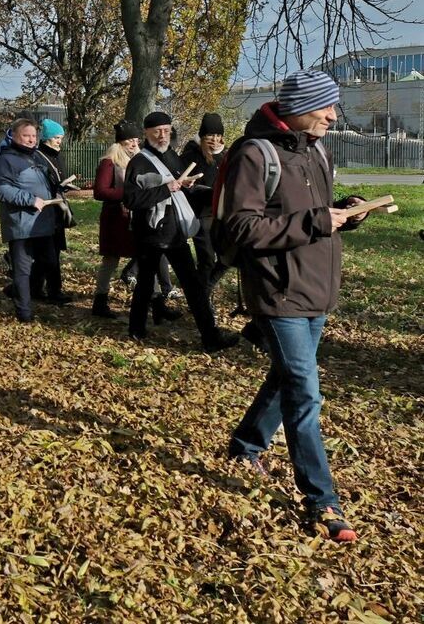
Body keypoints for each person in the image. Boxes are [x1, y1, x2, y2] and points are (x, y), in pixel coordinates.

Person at [220, 71, 367, 542]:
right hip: (277, 293)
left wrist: (347, 210)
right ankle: (322, 501)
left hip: (317, 288)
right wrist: (319, 220)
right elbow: (241, 228)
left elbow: (314, 214)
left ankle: (245, 446)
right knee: (305, 392)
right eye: (326, 106)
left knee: (286, 379)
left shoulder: (316, 149)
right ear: (299, 107)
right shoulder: (253, 154)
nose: (332, 115)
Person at [123, 111, 237, 350]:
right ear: (146, 133)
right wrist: (168, 188)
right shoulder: (139, 162)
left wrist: (196, 189)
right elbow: (132, 200)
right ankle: (136, 329)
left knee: (194, 287)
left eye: (167, 130)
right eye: (157, 131)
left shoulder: (172, 156)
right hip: (151, 235)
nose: (163, 135)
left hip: (176, 234)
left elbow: (180, 189)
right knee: (145, 284)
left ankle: (210, 337)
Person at [0, 119, 59, 322]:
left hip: (43, 223)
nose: (31, 140)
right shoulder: (6, 160)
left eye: (33, 136)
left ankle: (23, 292)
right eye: (26, 135)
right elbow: (2, 190)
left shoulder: (36, 156)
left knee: (49, 261)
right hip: (21, 224)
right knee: (22, 269)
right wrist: (30, 200)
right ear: (14, 135)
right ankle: (24, 312)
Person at [92, 121, 142, 319]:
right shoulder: (109, 162)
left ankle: (150, 297)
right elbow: (100, 191)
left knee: (144, 255)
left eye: (136, 140)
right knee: (111, 261)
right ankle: (100, 301)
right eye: (130, 141)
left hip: (132, 218)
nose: (134, 144)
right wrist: (127, 193)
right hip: (114, 219)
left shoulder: (136, 160)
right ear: (121, 142)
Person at [180, 112, 229, 294]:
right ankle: (202, 298)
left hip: (222, 213)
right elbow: (184, 184)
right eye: (210, 135)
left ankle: (206, 288)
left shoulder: (226, 155)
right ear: (202, 136)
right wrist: (199, 189)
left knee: (227, 257)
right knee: (207, 259)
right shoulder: (192, 155)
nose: (215, 140)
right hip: (200, 213)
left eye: (218, 135)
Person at [31, 118, 74, 305]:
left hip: (57, 207)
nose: (59, 141)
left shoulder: (57, 155)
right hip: (45, 208)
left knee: (53, 251)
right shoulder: (38, 156)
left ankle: (37, 287)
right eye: (56, 137)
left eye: (61, 137)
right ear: (47, 137)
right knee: (48, 253)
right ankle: (50, 289)